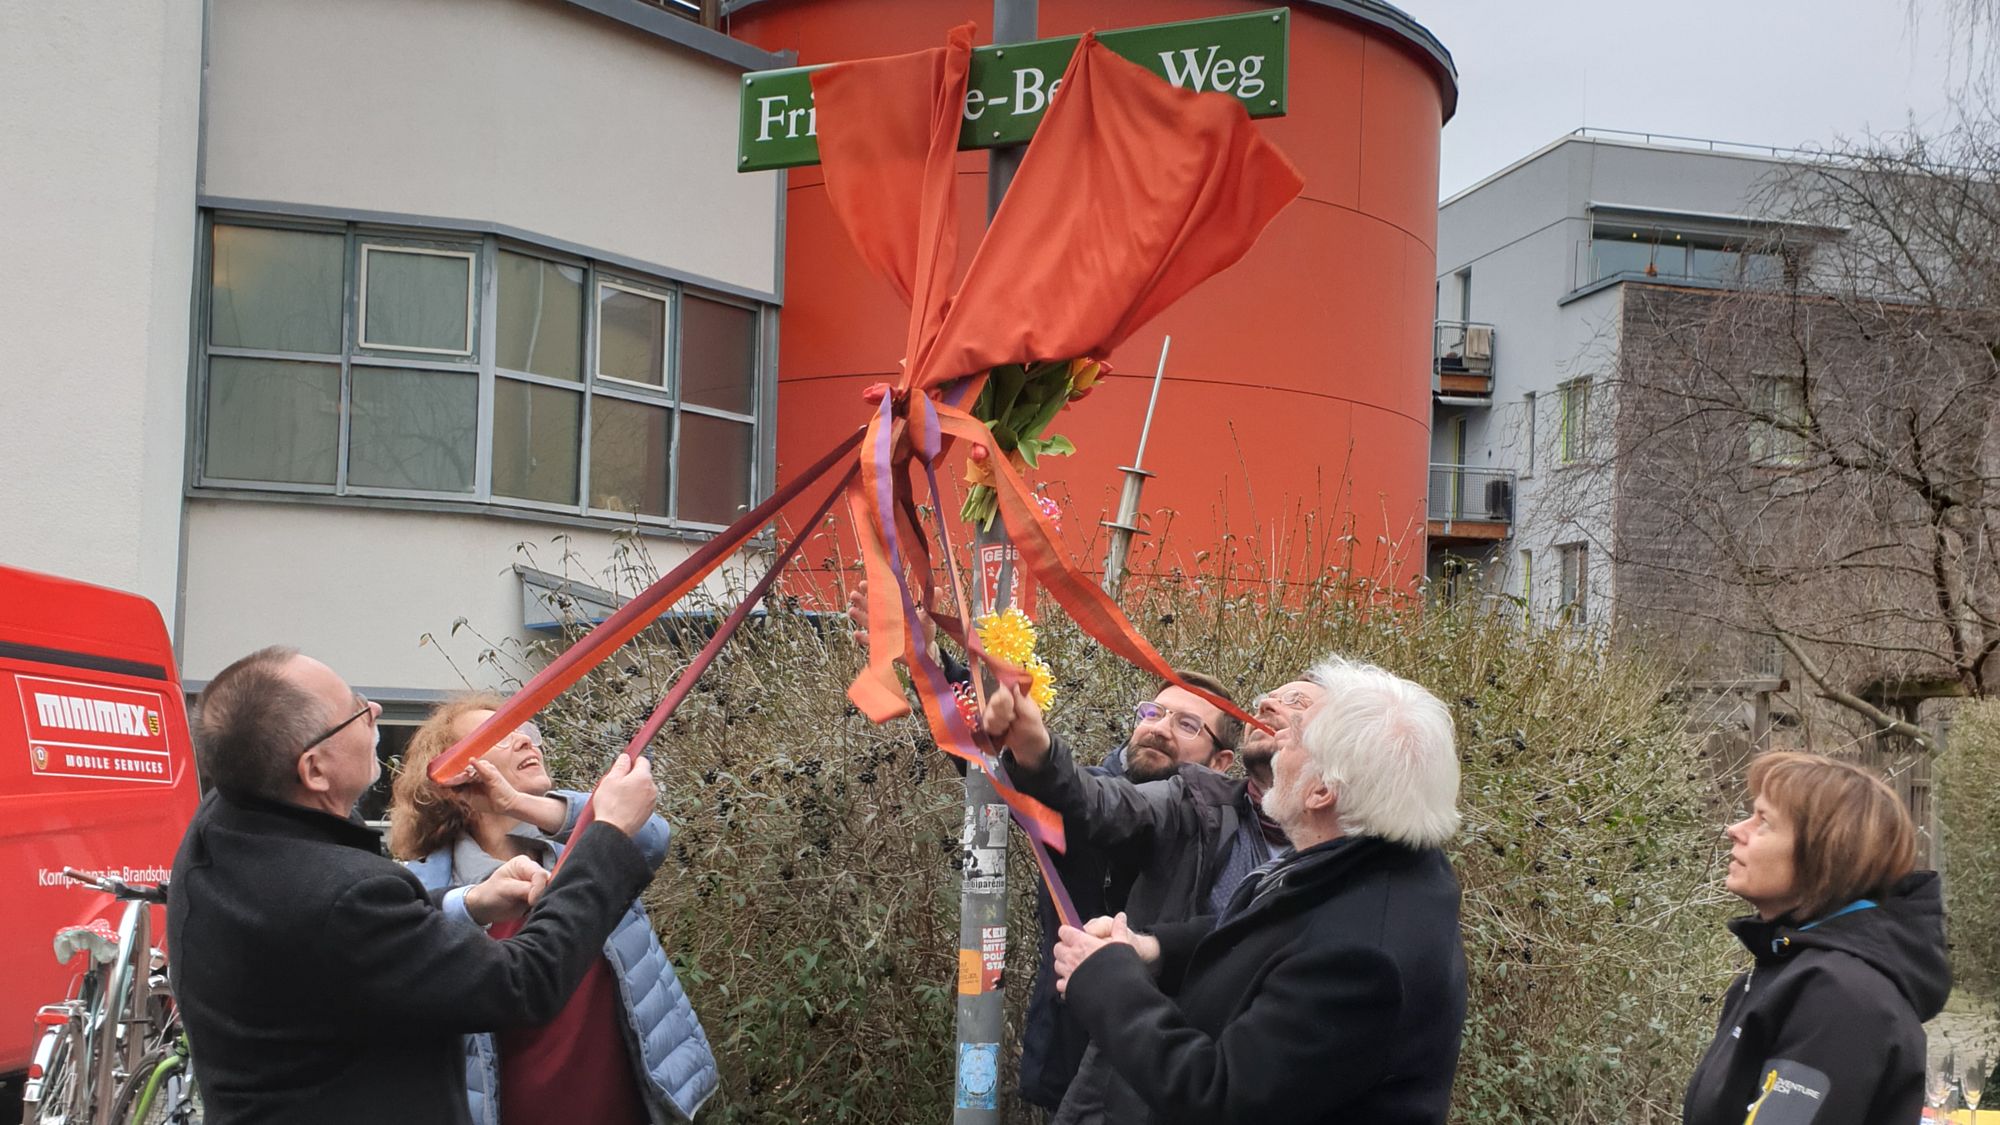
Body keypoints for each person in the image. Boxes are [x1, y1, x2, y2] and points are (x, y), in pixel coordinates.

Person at [168, 647, 663, 1125]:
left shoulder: (225, 826)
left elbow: (337, 935)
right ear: (314, 770)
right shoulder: (345, 895)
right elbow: (523, 983)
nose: (375, 710)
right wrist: (608, 832)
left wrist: (469, 904)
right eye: (356, 711)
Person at [1027, 655, 1469, 1124]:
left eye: (1295, 735)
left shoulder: (1362, 958)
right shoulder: (1370, 869)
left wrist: (1105, 977)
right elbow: (1268, 938)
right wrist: (1153, 948)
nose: (1277, 737)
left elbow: (1219, 1098)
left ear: (1322, 791)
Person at [389, 695, 718, 1124]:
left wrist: (513, 802)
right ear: (455, 777)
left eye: (526, 731)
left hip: (626, 1109)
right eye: (500, 736)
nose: (526, 741)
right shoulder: (423, 892)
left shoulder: (583, 851)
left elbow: (648, 836)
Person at [1681, 751, 1949, 1125]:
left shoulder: (1841, 996)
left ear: (1826, 854)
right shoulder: (1782, 972)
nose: (1735, 830)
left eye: (1764, 822)